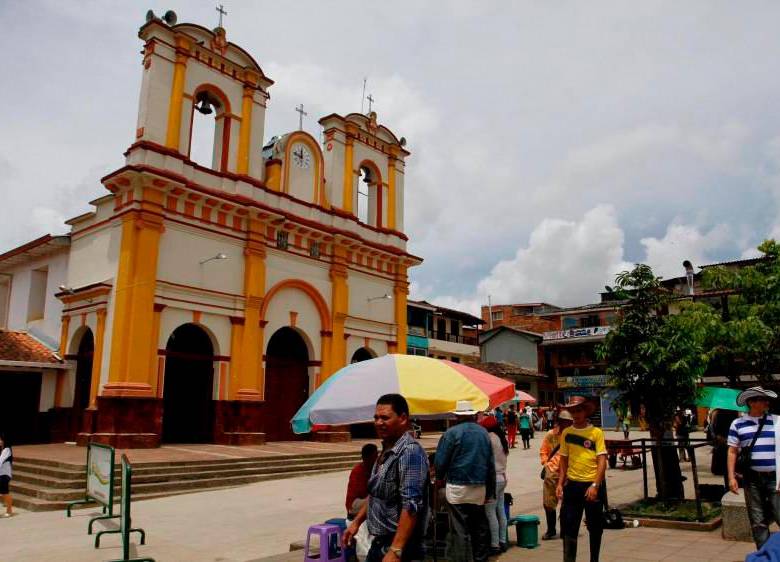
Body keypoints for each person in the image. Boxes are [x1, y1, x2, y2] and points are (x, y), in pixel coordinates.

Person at [344, 394, 429, 562]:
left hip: (400, 548)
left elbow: (411, 505)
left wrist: (396, 550)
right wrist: (357, 521)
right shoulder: (385, 451)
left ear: (403, 418)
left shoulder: (409, 452)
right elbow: (377, 495)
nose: (378, 423)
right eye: (376, 417)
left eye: (385, 418)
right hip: (379, 544)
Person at [435, 400, 495, 562]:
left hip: (457, 487)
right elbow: (490, 464)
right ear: (473, 415)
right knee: (479, 528)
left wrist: (439, 477)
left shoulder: (451, 433)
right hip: (479, 487)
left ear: (457, 416)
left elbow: (440, 463)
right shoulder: (483, 433)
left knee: (459, 530)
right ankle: (480, 558)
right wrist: (490, 490)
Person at [727, 387, 780, 549]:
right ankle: (764, 555)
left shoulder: (777, 421)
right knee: (757, 520)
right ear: (751, 402)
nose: (766, 402)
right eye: (761, 399)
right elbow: (732, 451)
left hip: (775, 478)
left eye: (766, 399)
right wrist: (731, 477)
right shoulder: (738, 423)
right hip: (752, 479)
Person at [556, 396, 607, 562]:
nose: (576, 414)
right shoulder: (567, 433)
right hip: (572, 486)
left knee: (595, 527)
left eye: (579, 410)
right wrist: (560, 483)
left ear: (586, 411)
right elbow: (563, 459)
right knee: (569, 528)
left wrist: (595, 485)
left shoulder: (596, 433)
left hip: (592, 486)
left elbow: (602, 460)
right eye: (573, 411)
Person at [539, 410, 573, 540]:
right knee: (548, 502)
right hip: (552, 472)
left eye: (569, 422)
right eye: (564, 421)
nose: (567, 424)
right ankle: (551, 529)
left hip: (569, 473)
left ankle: (565, 530)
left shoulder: (572, 435)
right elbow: (543, 450)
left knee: (567, 503)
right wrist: (546, 464)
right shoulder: (551, 434)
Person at [480, 416, 509, 554]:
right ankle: (503, 541)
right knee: (500, 510)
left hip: (493, 480)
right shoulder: (501, 438)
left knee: (490, 512)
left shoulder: (489, 439)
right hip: (502, 477)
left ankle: (494, 544)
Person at [346, 443, 379, 518]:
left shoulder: (376, 469)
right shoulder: (358, 471)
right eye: (374, 457)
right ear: (367, 458)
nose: (376, 459)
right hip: (354, 504)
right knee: (376, 500)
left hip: (366, 501)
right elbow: (364, 492)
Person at [0, 435, 12, 518]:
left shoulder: (7, 450)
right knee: (4, 493)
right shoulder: (1, 450)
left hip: (4, 475)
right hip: (0, 474)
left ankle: (9, 511)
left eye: (0, 440)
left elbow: (0, 462)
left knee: (5, 493)